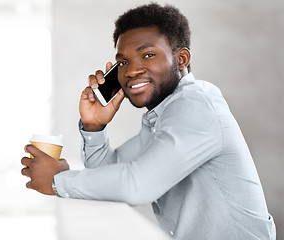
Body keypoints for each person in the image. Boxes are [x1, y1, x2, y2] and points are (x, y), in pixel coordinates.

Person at [21, 3, 276, 239]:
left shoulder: (196, 105)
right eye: (123, 62)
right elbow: (108, 175)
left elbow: (138, 185)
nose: (131, 71)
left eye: (148, 55)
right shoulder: (162, 115)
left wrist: (57, 180)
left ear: (182, 59)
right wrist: (94, 127)